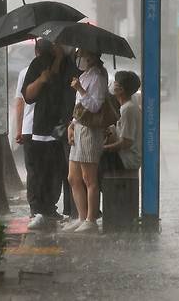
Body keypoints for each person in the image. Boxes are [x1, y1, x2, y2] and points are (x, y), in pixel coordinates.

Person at [21, 39, 80, 229]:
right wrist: (41, 79)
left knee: (60, 170)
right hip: (42, 127)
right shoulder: (39, 64)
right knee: (40, 170)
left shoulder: (72, 66)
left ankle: (53, 208)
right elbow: (28, 96)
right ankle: (38, 210)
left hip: (65, 125)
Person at [64, 49, 109, 233]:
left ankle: (91, 219)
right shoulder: (85, 75)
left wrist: (80, 90)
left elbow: (95, 106)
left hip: (90, 131)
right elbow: (79, 108)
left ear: (91, 55)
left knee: (88, 178)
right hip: (79, 127)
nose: (78, 57)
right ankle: (81, 217)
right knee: (73, 177)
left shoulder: (97, 77)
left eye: (81, 53)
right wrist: (72, 124)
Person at [14, 40, 51, 221]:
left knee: (35, 170)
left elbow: (19, 103)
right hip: (41, 129)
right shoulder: (31, 73)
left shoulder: (24, 72)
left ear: (36, 51)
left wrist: (18, 129)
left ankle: (38, 207)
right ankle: (41, 207)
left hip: (32, 129)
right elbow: (21, 101)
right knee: (43, 170)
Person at [102, 71, 142, 171]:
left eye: (115, 82)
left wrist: (104, 148)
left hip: (127, 159)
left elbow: (126, 142)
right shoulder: (127, 107)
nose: (112, 84)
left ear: (121, 89)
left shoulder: (128, 109)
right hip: (125, 156)